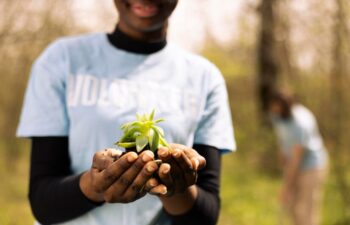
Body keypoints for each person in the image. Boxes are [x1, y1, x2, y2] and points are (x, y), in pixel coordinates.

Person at [16, 1, 236, 225]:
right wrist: (95, 186)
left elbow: (205, 217)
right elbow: (42, 202)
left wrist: (175, 185)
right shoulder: (61, 59)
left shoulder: (205, 77)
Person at [268, 90, 328, 225]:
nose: (273, 109)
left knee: (305, 209)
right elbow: (282, 140)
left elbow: (296, 157)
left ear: (285, 106)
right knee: (292, 208)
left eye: (277, 106)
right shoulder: (276, 116)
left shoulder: (301, 123)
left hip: (312, 166)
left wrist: (286, 186)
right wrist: (283, 157)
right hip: (293, 163)